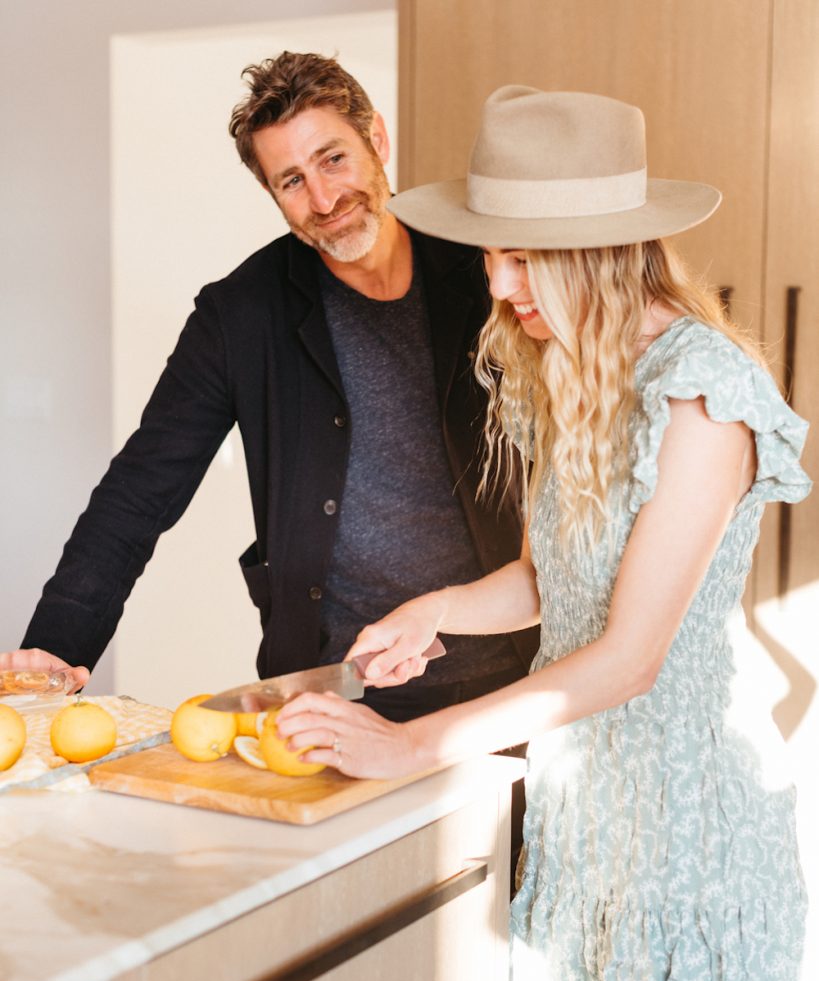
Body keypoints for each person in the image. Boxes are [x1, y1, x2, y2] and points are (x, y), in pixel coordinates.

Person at [274, 86, 811, 981]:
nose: (498, 285)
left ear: (600, 253)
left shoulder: (701, 392)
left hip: (679, 824)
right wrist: (432, 610)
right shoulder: (561, 365)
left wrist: (411, 744)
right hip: (579, 799)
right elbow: (545, 577)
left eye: (522, 259)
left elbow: (628, 656)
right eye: (491, 254)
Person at [0, 52, 536, 725]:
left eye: (333, 159)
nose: (323, 200)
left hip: (512, 676)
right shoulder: (240, 315)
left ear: (377, 140)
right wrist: (56, 644)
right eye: (291, 180)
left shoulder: (482, 265)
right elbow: (138, 491)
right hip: (334, 694)